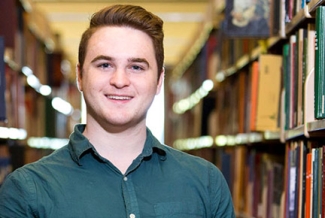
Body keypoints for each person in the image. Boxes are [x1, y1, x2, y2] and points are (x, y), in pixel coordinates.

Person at [0, 4, 235, 217]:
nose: (120, 80)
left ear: (159, 81)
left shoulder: (206, 183)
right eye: (104, 65)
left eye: (136, 66)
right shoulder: (25, 190)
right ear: (80, 76)